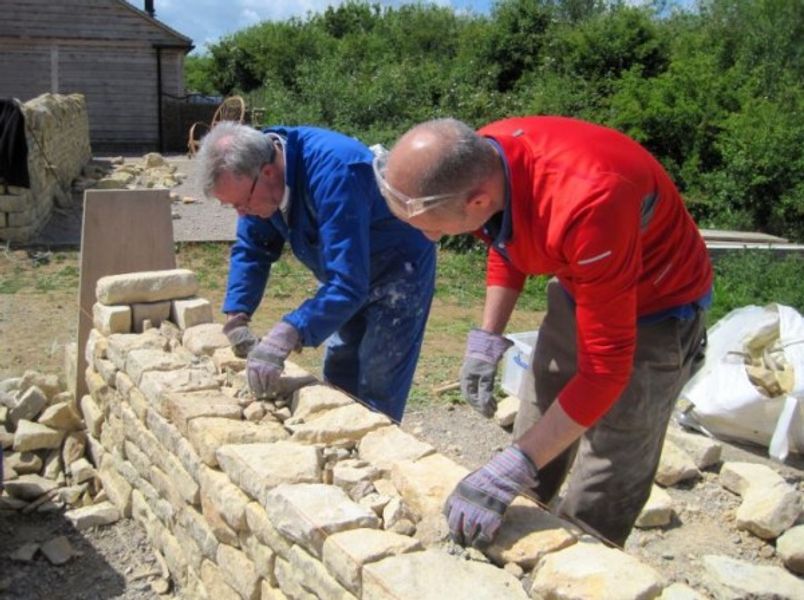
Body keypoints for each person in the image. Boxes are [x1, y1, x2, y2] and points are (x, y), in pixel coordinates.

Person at [376, 116, 712, 547]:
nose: (427, 236)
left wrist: (515, 462)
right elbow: (504, 238)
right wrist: (487, 337)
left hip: (658, 307)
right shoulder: (484, 156)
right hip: (581, 281)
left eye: (431, 224)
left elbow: (605, 371)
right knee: (541, 409)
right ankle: (515, 535)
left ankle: (580, 563)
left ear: (477, 200)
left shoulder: (589, 200)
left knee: (611, 464)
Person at [196, 122, 436, 422]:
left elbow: (348, 283)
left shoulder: (337, 171)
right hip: (346, 273)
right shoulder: (258, 178)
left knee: (378, 381)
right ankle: (338, 448)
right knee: (339, 370)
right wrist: (237, 314)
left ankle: (374, 458)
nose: (241, 213)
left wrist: (288, 332)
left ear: (268, 173)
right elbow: (254, 247)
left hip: (398, 271)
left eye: (242, 203)